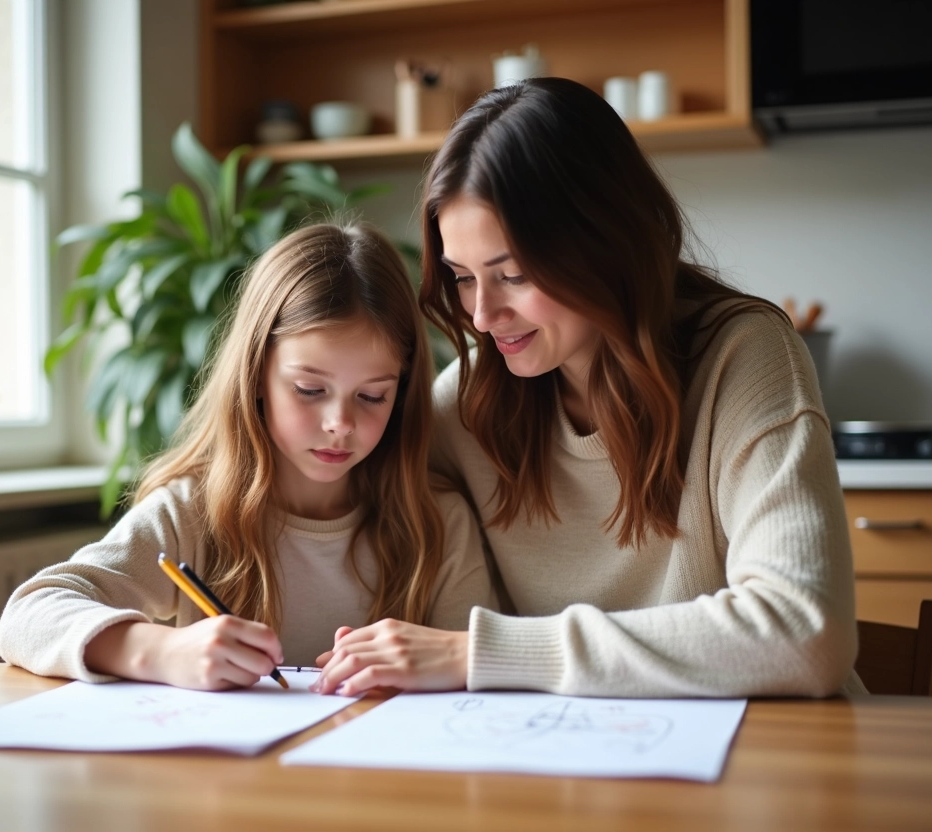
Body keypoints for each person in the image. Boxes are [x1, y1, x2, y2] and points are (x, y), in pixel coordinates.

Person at [313, 78, 861, 699]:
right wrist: (174, 643)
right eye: (463, 278)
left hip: (764, 763)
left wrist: (482, 654)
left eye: (513, 274)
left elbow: (807, 632)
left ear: (603, 246)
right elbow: (301, 494)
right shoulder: (467, 403)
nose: (483, 317)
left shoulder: (743, 357)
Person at [0, 223, 493, 690]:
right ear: (256, 375)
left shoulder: (439, 523)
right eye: (309, 389)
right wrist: (160, 651)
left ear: (401, 393)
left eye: (372, 396)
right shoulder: (194, 510)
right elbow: (29, 614)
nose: (339, 422)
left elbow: (476, 677)